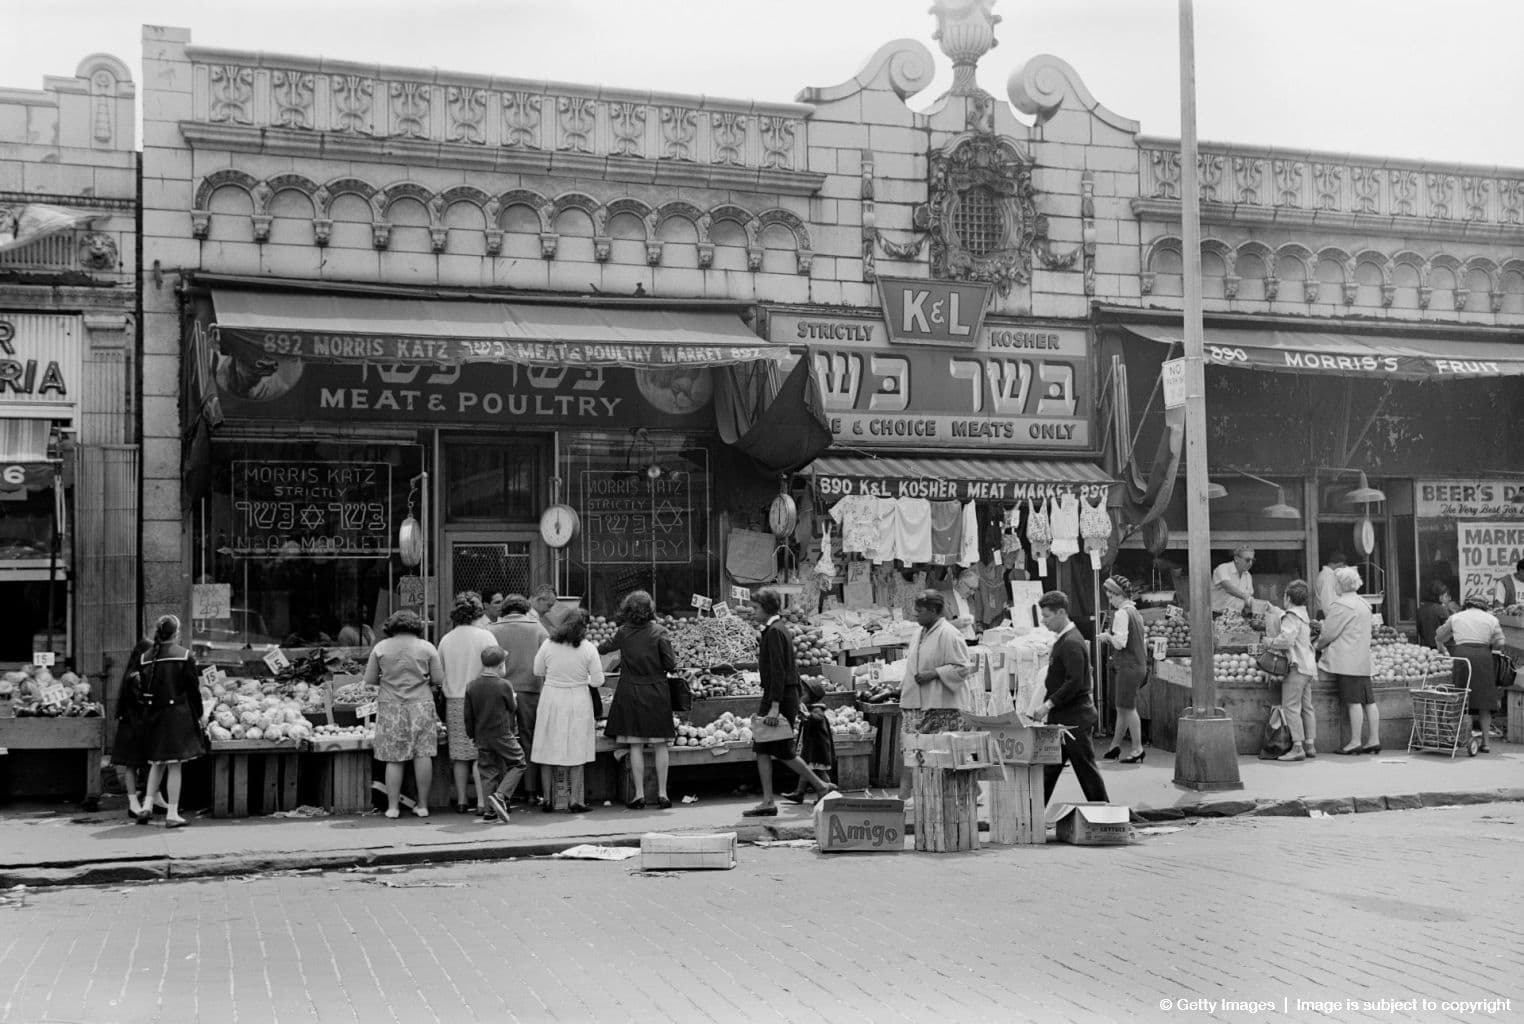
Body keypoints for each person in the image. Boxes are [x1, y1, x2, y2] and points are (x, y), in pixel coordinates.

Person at [742, 588, 837, 817]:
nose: (752, 612)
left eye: (755, 608)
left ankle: (821, 786)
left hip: (780, 696)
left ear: (766, 608)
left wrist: (774, 706)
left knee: (782, 750)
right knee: (762, 747)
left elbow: (778, 670)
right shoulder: (776, 629)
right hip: (782, 694)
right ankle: (768, 801)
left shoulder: (775, 632)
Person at [598, 590, 678, 810]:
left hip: (630, 691)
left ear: (627, 611)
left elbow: (603, 648)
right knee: (661, 744)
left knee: (635, 745)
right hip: (657, 691)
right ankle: (662, 794)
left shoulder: (623, 632)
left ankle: (639, 795)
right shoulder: (660, 632)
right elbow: (671, 664)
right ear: (650, 610)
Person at [365, 610, 445, 819]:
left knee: (394, 756)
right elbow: (438, 678)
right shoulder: (427, 647)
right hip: (421, 704)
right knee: (423, 753)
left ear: (391, 627)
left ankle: (393, 807)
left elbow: (370, 679)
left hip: (391, 704)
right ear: (416, 626)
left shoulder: (381, 647)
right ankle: (423, 805)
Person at [1032, 591, 1110, 805]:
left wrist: (1048, 704)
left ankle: (1104, 812)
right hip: (1064, 718)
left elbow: (1074, 682)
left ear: (1061, 612)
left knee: (1085, 769)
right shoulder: (1066, 640)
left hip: (1074, 719)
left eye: (1047, 616)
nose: (1043, 621)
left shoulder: (1071, 642)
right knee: (1050, 769)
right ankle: (1032, 813)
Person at [896, 589, 974, 804]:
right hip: (915, 703)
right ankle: (905, 795)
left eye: (919, 611)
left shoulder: (949, 633)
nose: (915, 614)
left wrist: (934, 674)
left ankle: (969, 792)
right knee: (910, 748)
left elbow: (964, 668)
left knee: (947, 753)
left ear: (932, 611)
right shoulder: (918, 633)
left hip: (942, 705)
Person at [136, 615, 207, 829]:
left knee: (157, 763)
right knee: (175, 766)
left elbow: (142, 691)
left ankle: (146, 806)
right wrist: (200, 713)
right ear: (176, 633)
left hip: (153, 715)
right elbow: (193, 691)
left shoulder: (145, 658)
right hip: (177, 715)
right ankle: (173, 813)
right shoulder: (185, 656)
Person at [531, 609, 602, 813]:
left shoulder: (548, 644)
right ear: (583, 627)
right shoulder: (588, 648)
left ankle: (547, 799)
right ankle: (575, 800)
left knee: (547, 747)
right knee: (576, 749)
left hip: (551, 696)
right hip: (578, 698)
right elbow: (598, 681)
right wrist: (584, 679)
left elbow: (537, 671)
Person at [488, 594, 550, 805]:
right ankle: (532, 792)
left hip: (499, 690)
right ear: (525, 610)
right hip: (531, 691)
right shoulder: (538, 629)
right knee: (528, 741)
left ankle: (507, 793)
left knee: (504, 741)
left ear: (504, 610)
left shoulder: (491, 630)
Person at [437, 592, 496, 813]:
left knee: (460, 755)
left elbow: (439, 674)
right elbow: (500, 669)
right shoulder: (486, 637)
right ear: (478, 612)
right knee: (480, 754)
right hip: (481, 699)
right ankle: (482, 802)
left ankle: (461, 800)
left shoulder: (446, 639)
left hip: (454, 701)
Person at [1315, 566, 1378, 755]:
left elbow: (1329, 633)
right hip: (1363, 659)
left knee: (1353, 702)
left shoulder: (1341, 605)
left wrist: (1317, 646)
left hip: (1346, 661)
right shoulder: (1364, 604)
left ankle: (1355, 742)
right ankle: (1374, 739)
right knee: (1369, 701)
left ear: (1340, 584)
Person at [463, 645, 527, 824]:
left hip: (481, 735)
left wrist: (472, 735)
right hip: (501, 733)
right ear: (500, 666)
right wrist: (513, 698)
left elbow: (467, 716)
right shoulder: (504, 685)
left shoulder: (472, 686)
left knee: (488, 771)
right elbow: (512, 708)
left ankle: (490, 812)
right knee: (519, 762)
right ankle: (500, 795)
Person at [1435, 597, 1506, 753]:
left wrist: (1442, 648)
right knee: (1484, 701)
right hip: (1484, 658)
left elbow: (1440, 635)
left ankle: (1459, 738)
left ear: (1466, 605)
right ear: (1484, 606)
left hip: (1462, 656)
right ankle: (1486, 743)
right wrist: (1490, 644)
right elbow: (1500, 642)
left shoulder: (1456, 617)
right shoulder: (1491, 619)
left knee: (1461, 698)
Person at [1265, 580, 1318, 761]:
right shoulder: (1303, 614)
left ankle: (1297, 748)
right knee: (1307, 707)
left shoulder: (1291, 616)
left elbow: (1287, 639)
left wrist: (1270, 642)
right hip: (1309, 666)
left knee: (1291, 707)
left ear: (1287, 598)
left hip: (1296, 666)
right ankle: (1310, 745)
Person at [1097, 575, 1147, 764]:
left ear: (1118, 594)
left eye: (1110, 597)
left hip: (1128, 666)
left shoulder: (1121, 614)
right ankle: (1115, 746)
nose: (1110, 601)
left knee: (1128, 708)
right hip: (1138, 665)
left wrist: (1107, 637)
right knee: (1123, 707)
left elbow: (1120, 643)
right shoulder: (1135, 612)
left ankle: (1137, 748)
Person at [112, 634, 154, 821]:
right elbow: (142, 703)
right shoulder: (137, 676)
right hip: (135, 727)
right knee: (133, 765)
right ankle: (133, 802)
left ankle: (144, 800)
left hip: (132, 725)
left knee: (137, 764)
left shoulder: (133, 673)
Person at [782, 676, 835, 804]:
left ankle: (827, 794)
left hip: (817, 749)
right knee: (805, 769)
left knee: (820, 772)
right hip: (810, 748)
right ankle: (799, 793)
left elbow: (817, 719)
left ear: (812, 696)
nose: (801, 695)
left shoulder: (817, 709)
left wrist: (807, 715)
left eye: (804, 692)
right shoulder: (810, 708)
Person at [937, 568, 986, 636]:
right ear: (960, 583)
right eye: (970, 588)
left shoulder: (971, 600)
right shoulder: (942, 598)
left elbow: (977, 622)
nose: (972, 593)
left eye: (975, 590)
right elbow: (935, 627)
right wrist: (954, 624)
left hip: (973, 643)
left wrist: (979, 633)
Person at [1210, 546, 1256, 615]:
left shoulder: (1248, 576)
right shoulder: (1223, 568)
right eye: (1247, 560)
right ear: (1236, 559)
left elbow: (1247, 599)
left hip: (1237, 615)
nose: (1250, 563)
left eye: (1253, 560)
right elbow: (1228, 588)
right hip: (1217, 614)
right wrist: (1246, 598)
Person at [1415, 580, 1458, 649]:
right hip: (1442, 647)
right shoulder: (1441, 609)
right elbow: (1450, 631)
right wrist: (1454, 614)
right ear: (1440, 596)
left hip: (1425, 647)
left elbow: (1420, 631)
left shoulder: (1421, 609)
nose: (1449, 599)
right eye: (1446, 596)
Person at [1314, 552, 1347, 620]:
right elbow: (1328, 602)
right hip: (1327, 614)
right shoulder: (1328, 576)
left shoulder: (1324, 574)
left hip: (1326, 613)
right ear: (1340, 565)